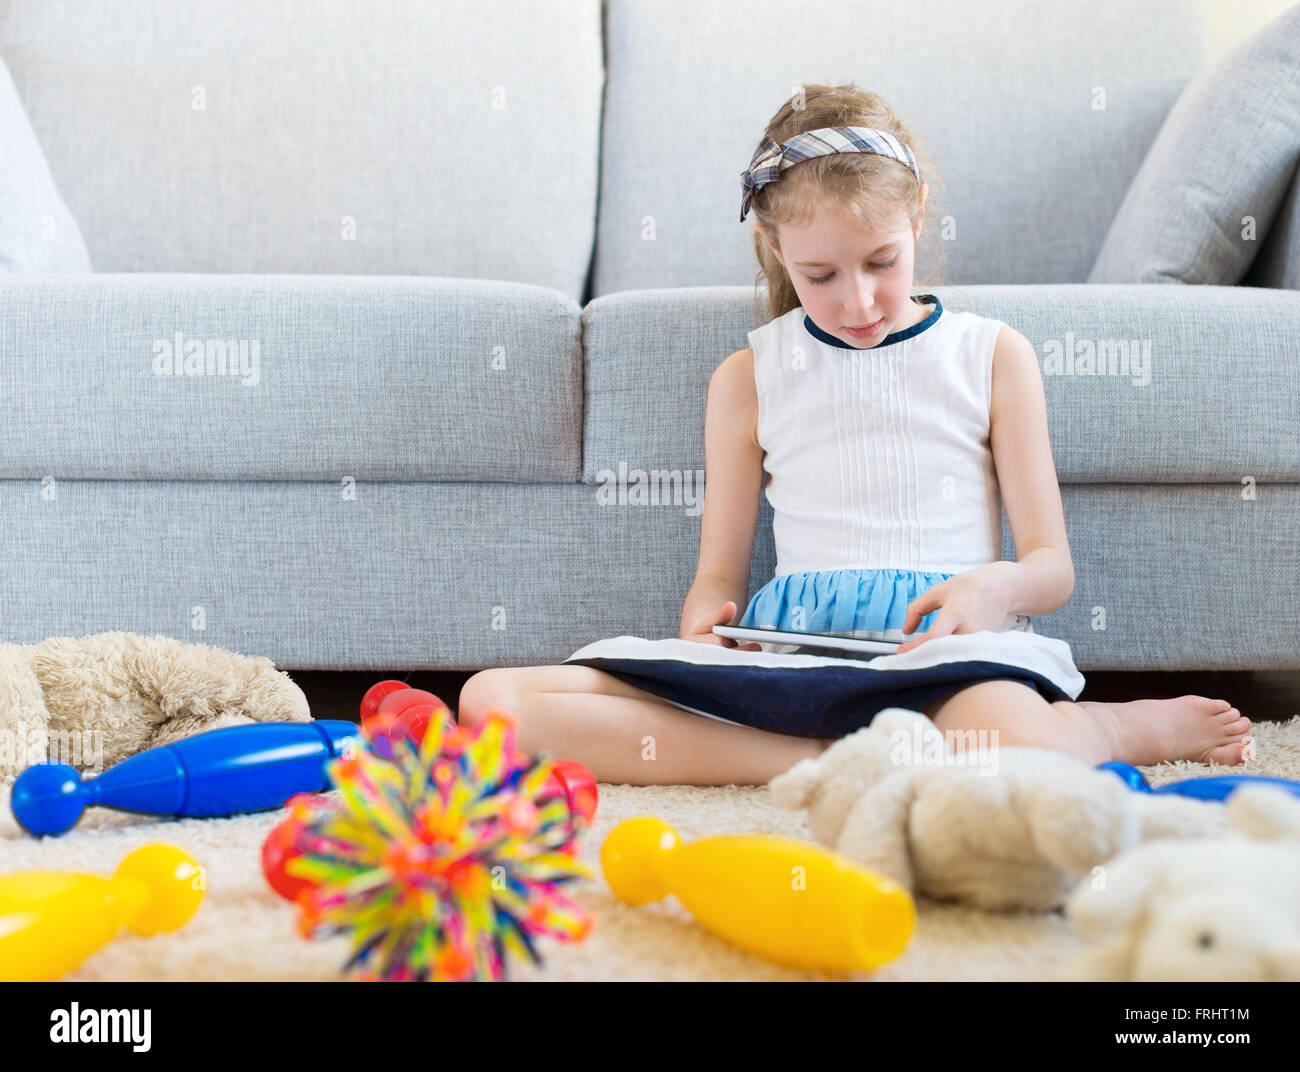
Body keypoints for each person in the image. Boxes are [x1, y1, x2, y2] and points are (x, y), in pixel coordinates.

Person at [459, 83, 1252, 785]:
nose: (860, 300)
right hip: (794, 662)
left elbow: (1052, 568)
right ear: (776, 249)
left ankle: (1115, 726)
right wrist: (707, 624)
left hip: (943, 662)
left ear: (917, 217)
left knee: (1016, 740)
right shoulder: (748, 378)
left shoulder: (991, 356)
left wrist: (994, 587)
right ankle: (841, 762)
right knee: (492, 702)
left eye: (881, 260)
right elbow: (715, 577)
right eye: (821, 276)